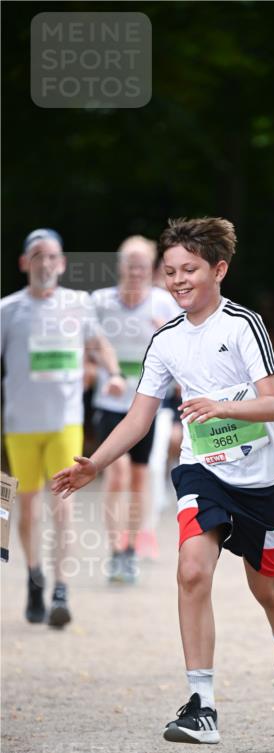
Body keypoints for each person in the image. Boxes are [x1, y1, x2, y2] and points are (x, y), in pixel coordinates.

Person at [53, 217, 274, 744]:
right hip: (203, 470)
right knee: (192, 570)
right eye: (169, 271)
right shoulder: (165, 340)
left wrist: (220, 406)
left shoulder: (244, 325)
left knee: (267, 589)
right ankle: (203, 704)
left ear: (218, 270)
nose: (177, 280)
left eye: (188, 270)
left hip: (262, 480)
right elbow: (138, 416)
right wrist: (95, 464)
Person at [1, 228, 124, 627]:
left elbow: (99, 342)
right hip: (21, 425)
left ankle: (60, 588)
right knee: (27, 510)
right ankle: (35, 576)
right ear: (24, 263)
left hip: (64, 423)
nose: (46, 263)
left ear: (63, 264)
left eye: (53, 256)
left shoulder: (78, 303)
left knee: (64, 507)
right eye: (37, 255)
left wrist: (114, 372)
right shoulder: (8, 309)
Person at [91, 236, 180, 581]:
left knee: (139, 477)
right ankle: (116, 550)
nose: (137, 272)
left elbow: (184, 346)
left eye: (143, 265)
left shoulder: (164, 303)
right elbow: (87, 343)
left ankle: (130, 549)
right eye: (131, 265)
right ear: (120, 267)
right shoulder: (100, 302)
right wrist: (102, 368)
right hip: (110, 403)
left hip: (148, 407)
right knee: (117, 474)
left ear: (151, 268)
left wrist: (167, 337)